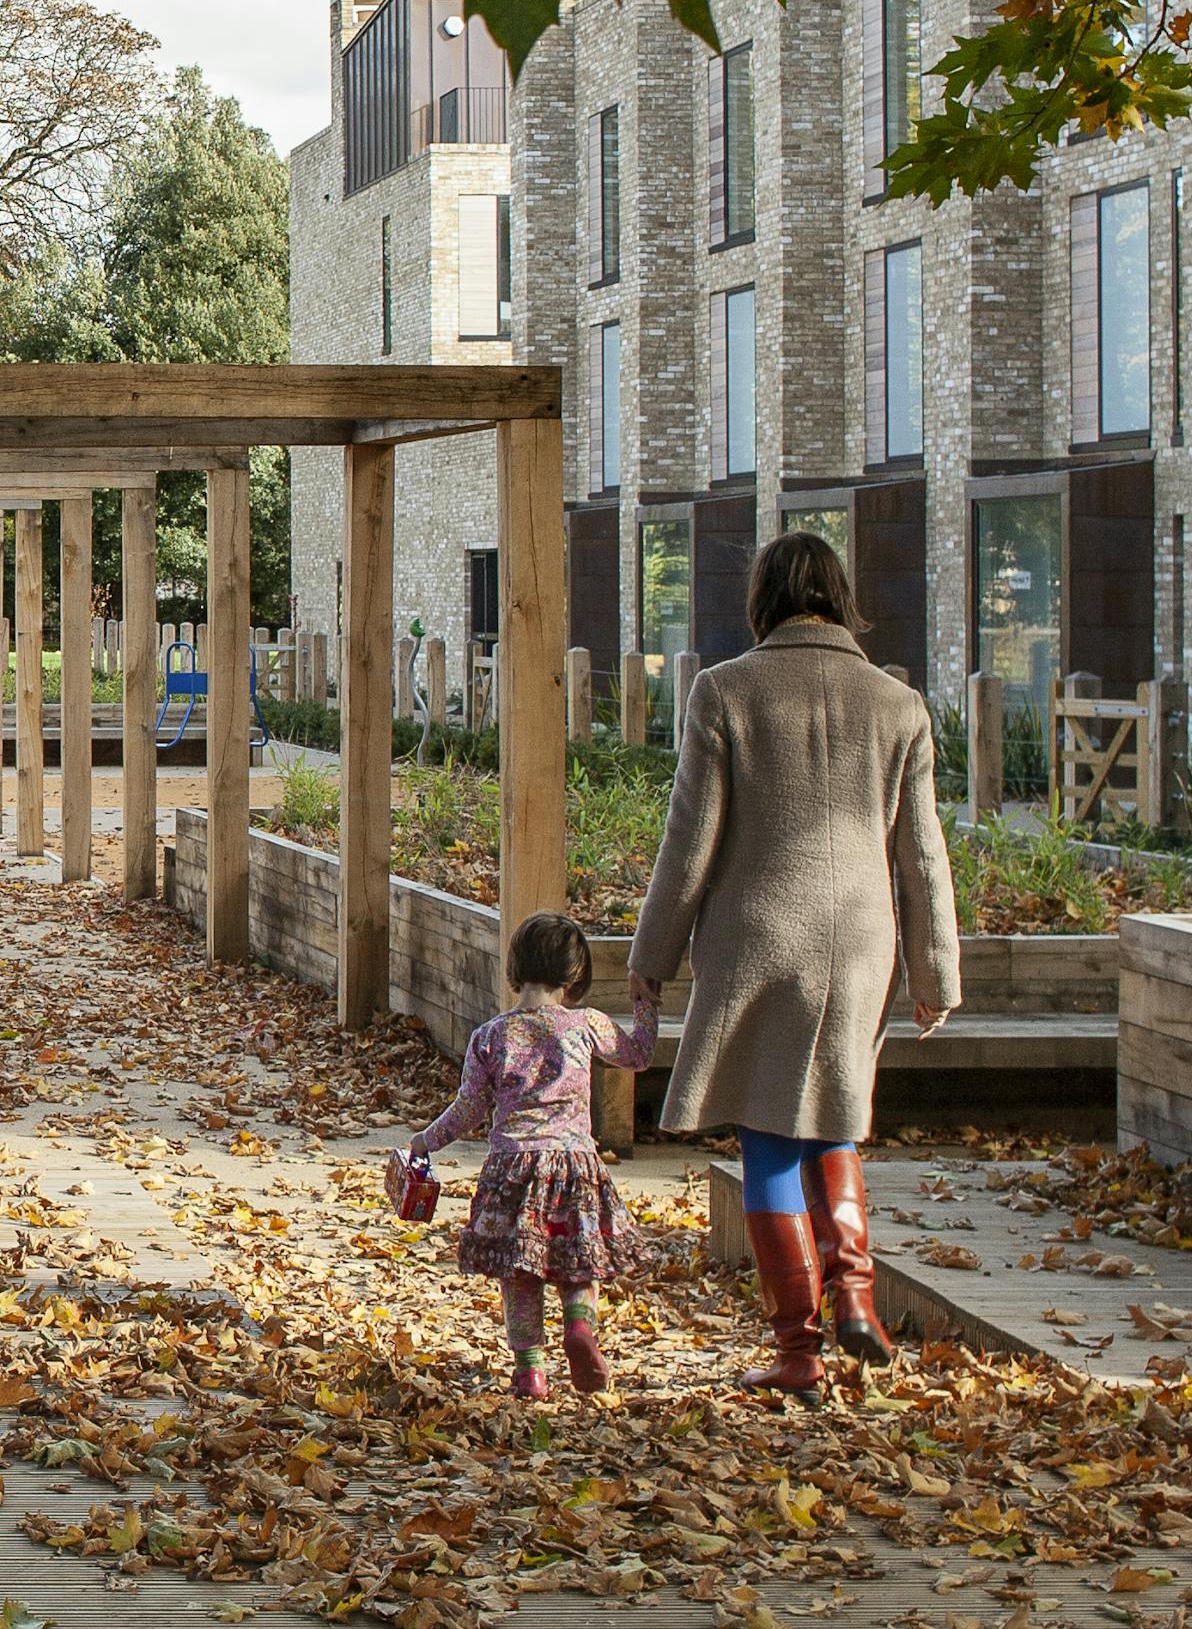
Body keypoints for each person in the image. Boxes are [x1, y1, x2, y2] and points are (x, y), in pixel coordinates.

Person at [627, 529, 962, 1401]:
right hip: (859, 942)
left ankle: (798, 1348)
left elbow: (689, 842)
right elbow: (923, 854)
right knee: (838, 1119)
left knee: (771, 1135)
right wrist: (934, 974)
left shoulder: (725, 691)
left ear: (764, 599)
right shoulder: (899, 706)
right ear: (841, 597)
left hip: (759, 938)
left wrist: (652, 955)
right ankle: (855, 1293)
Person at [399, 910, 658, 1398]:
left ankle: (530, 1372)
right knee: (579, 1261)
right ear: (575, 975)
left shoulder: (492, 1036)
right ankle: (581, 1327)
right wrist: (644, 1002)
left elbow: (469, 1109)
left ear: (514, 967)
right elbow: (639, 1054)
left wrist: (424, 1141)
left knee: (519, 1272)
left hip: (512, 1169)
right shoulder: (587, 1026)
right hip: (574, 1166)